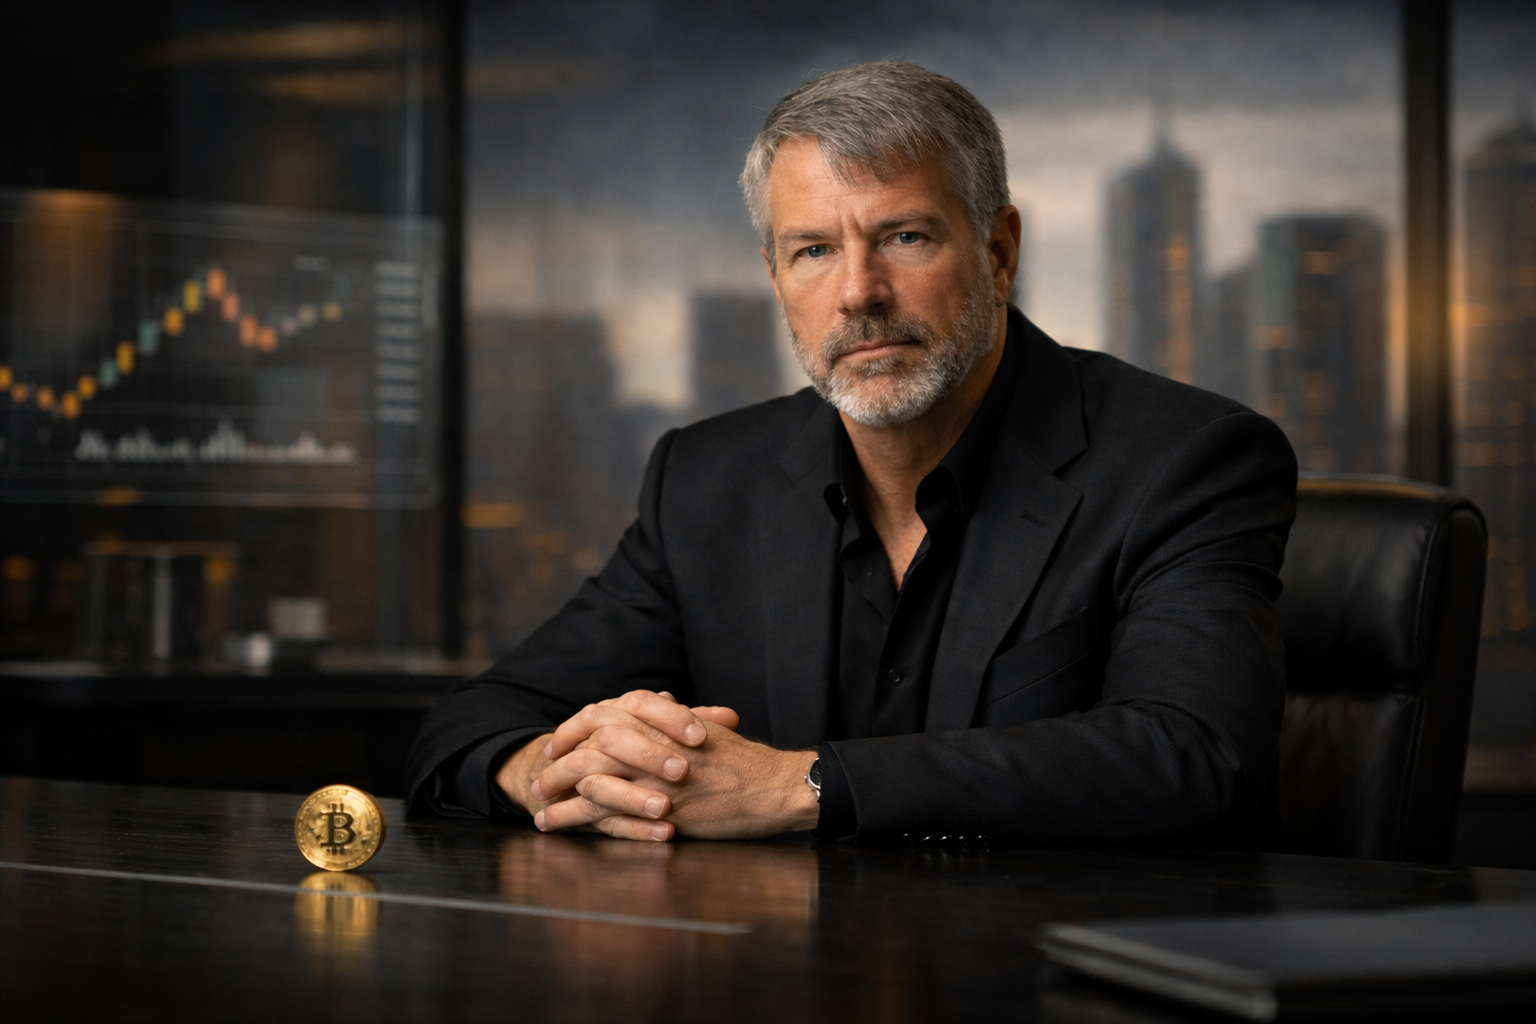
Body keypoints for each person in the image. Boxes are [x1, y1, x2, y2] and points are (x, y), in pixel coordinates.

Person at [406, 61, 1297, 845]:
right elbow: (472, 726)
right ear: (777, 280)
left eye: (905, 237)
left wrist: (798, 787)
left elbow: (1193, 757)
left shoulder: (1184, 460)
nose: (858, 293)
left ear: (998, 250)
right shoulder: (708, 480)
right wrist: (549, 772)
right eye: (814, 251)